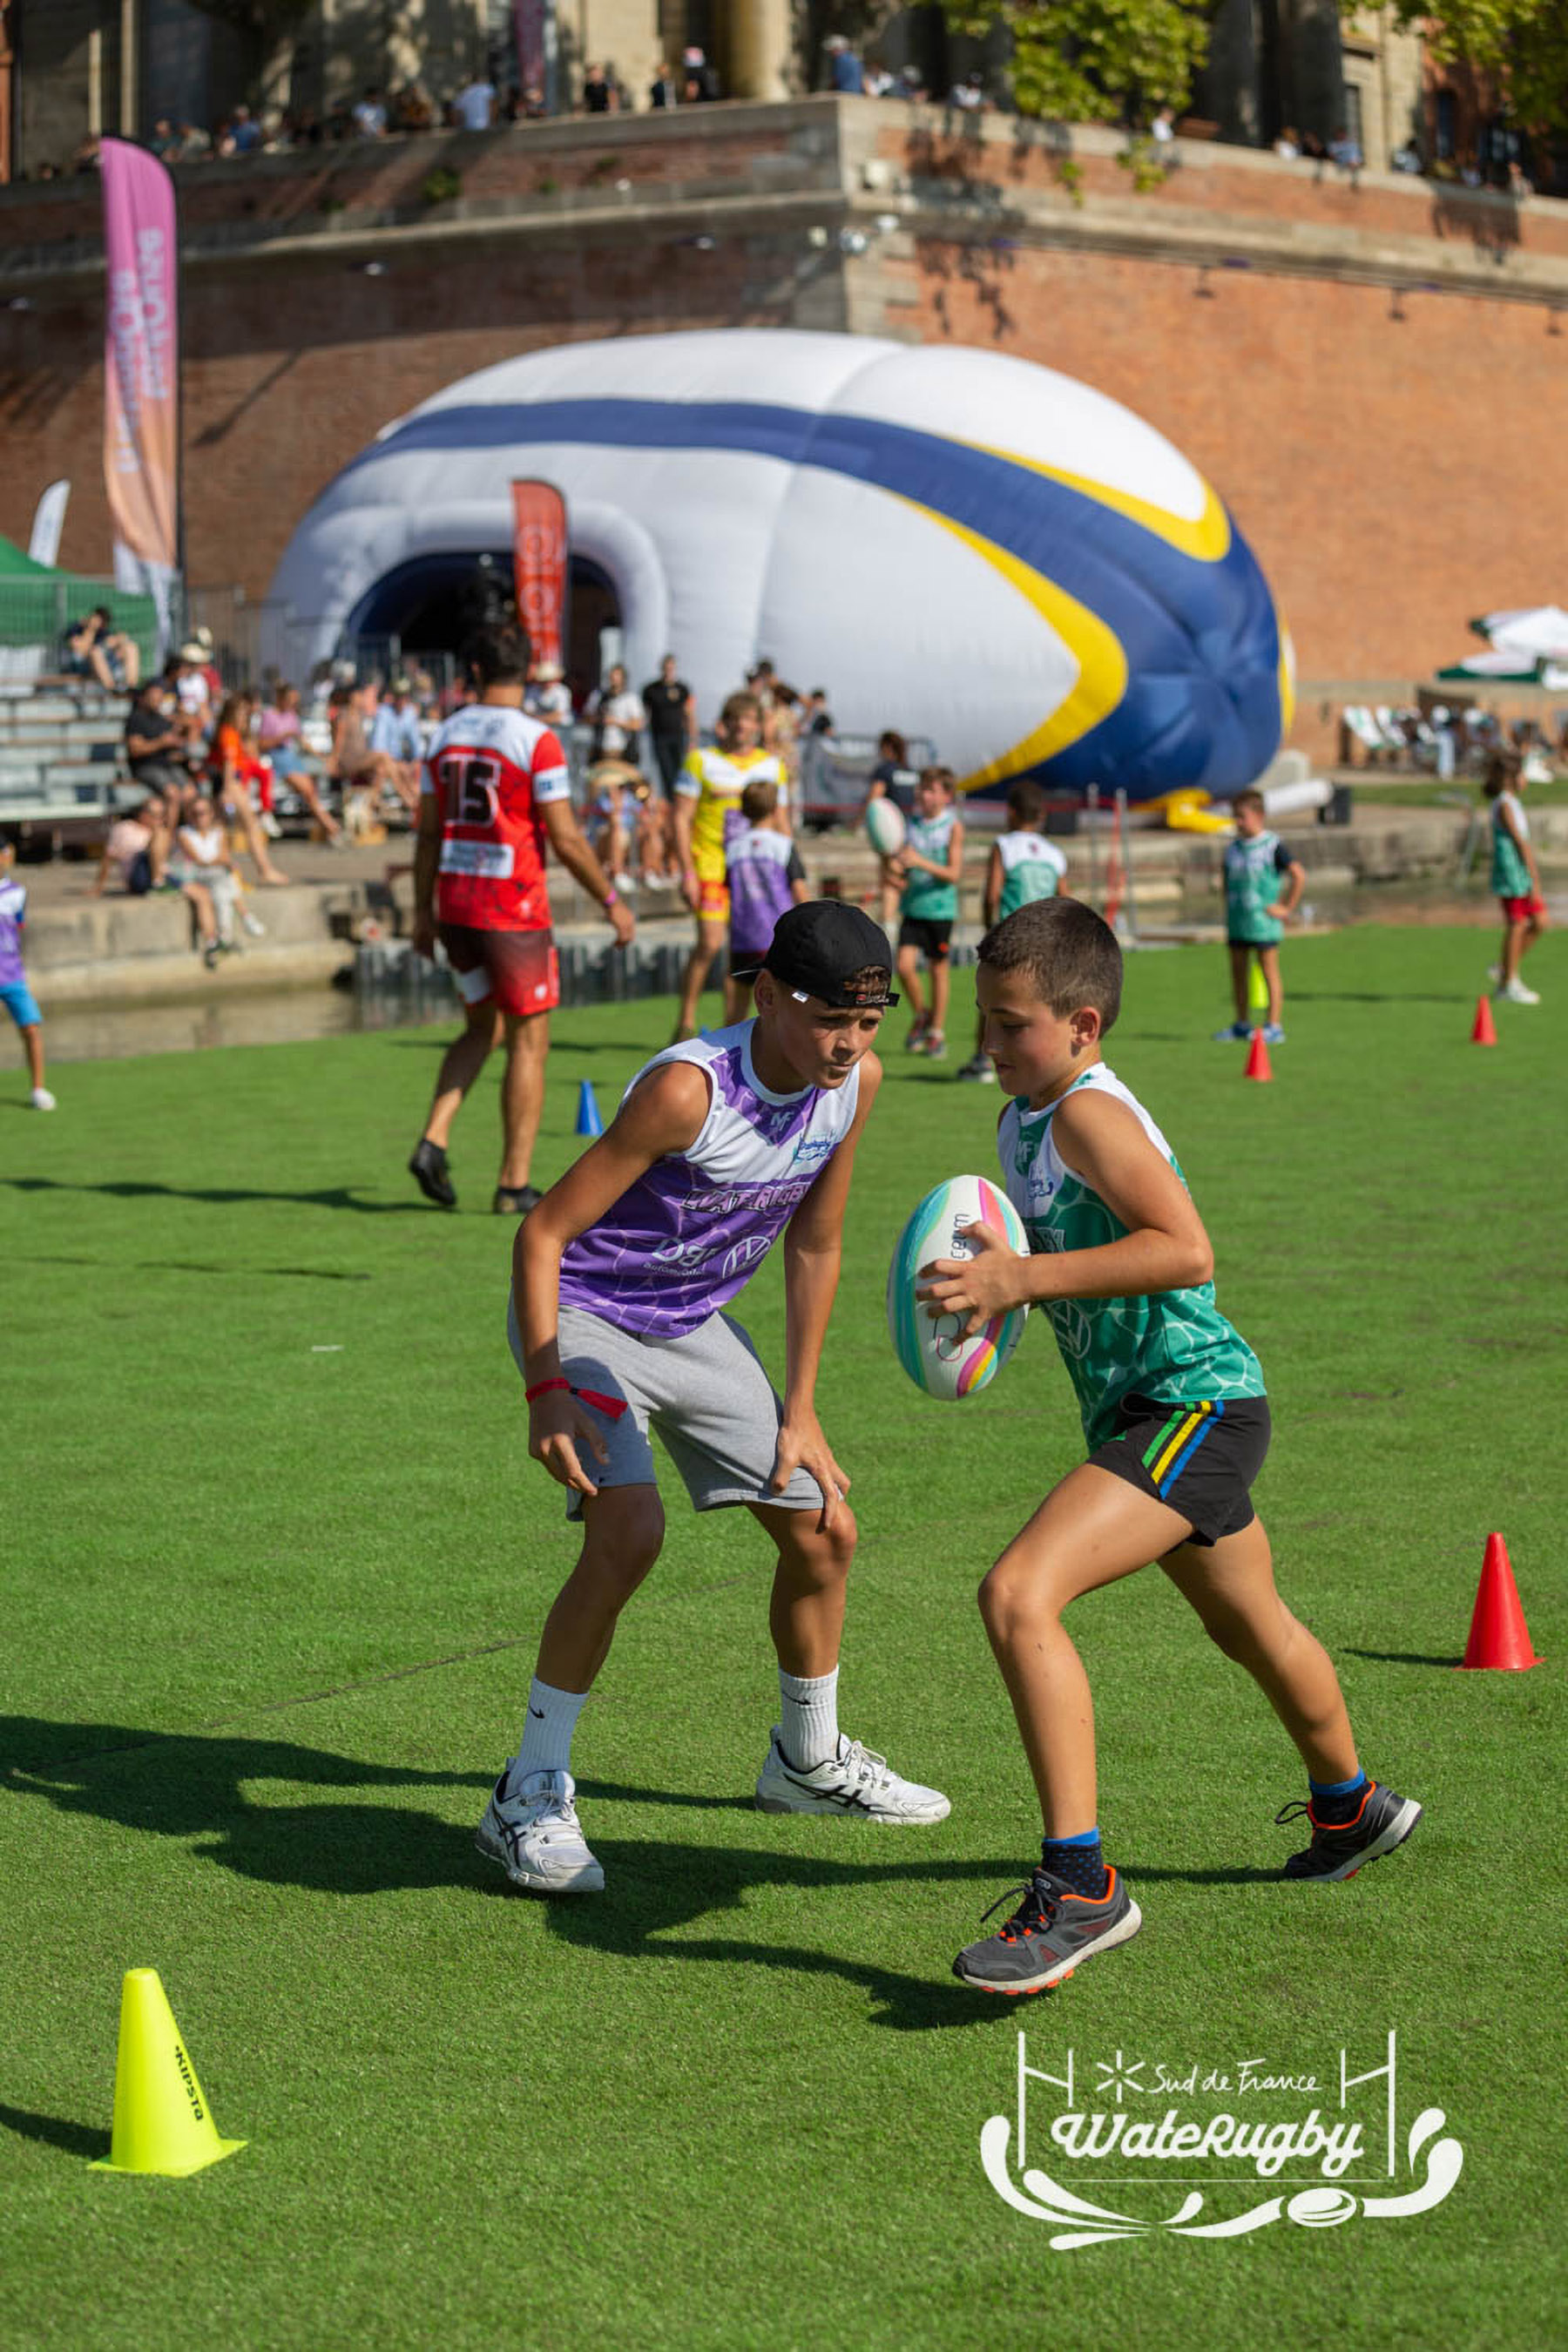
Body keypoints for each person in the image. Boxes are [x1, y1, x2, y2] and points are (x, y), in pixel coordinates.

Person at [920, 897, 1421, 1995]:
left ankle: (1084, 1886)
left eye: (1013, 1026)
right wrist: (981, 1299)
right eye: (985, 1022)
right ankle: (1353, 1808)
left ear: (1084, 1026)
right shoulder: (1022, 1123)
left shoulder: (1089, 1117)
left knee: (1017, 1595)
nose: (990, 1045)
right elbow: (1067, 1261)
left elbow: (1186, 1251)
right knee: (1253, 1626)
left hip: (1194, 1407)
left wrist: (1020, 1278)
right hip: (1156, 1411)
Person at [483, 901, 948, 1896]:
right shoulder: (687, 1093)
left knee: (826, 1528)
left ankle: (806, 1764)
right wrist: (544, 1388)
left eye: (868, 1024)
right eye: (830, 1019)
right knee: (630, 1532)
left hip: (694, 1327)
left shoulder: (855, 1085)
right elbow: (541, 1238)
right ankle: (526, 1792)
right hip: (593, 1319)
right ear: (768, 995)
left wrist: (803, 1408)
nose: (849, 1044)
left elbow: (816, 1243)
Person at [409, 624, 635, 1217]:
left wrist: (420, 912)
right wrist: (611, 900)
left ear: (474, 672)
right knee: (530, 1042)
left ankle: (434, 1137)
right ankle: (513, 1183)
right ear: (528, 674)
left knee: (482, 1028)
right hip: (512, 908)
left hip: (456, 903)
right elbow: (564, 836)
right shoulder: (537, 739)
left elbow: (429, 832)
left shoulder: (443, 736)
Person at [671, 691, 787, 1039]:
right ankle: (685, 1020)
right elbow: (680, 818)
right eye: (736, 718)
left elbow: (782, 821)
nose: (742, 726)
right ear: (725, 724)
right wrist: (687, 871)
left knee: (748, 951)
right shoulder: (700, 761)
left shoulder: (771, 765)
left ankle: (732, 1029)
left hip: (755, 874)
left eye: (749, 719)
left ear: (757, 725)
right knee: (708, 943)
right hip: (712, 867)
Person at [956, 776, 1067, 1081]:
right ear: (1041, 815)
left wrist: (988, 925)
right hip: (1046, 939)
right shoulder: (1054, 853)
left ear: (1011, 812)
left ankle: (982, 1063)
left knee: (991, 1001)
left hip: (1011, 936)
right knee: (1039, 1002)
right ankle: (1046, 1059)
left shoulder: (1004, 846)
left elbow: (992, 893)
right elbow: (1065, 900)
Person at [1213, 789, 1304, 1044]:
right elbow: (1227, 880)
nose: (1238, 822)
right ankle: (1241, 1023)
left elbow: (1298, 875)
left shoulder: (1273, 846)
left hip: (1263, 924)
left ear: (1259, 815)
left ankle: (1274, 1025)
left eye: (1243, 816)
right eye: (1235, 817)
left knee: (1268, 971)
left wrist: (1286, 908)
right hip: (1238, 922)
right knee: (1238, 972)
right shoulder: (1233, 849)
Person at [891, 764, 963, 1059]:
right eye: (922, 788)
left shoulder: (952, 826)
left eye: (931, 790)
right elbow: (901, 865)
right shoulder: (911, 824)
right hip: (913, 906)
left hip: (940, 910)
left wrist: (919, 862)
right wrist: (894, 870)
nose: (924, 794)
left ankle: (936, 1031)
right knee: (904, 967)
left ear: (947, 796)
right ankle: (922, 1014)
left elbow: (953, 873)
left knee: (937, 970)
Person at [723, 776, 810, 1018]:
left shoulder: (733, 848)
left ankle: (731, 1054)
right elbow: (800, 892)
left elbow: (729, 889)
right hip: (777, 938)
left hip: (743, 938)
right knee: (788, 1003)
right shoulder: (782, 845)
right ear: (775, 810)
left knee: (737, 1008)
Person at [207, 694, 291, 884]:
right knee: (251, 826)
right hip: (230, 783)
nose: (245, 719)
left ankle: (223, 869)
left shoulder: (229, 732)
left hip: (227, 783)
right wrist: (228, 791)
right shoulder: (228, 733)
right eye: (242, 714)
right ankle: (265, 869)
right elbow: (228, 763)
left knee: (219, 828)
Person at [1485, 752, 1548, 1004]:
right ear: (1511, 778)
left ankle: (1504, 969)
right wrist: (1534, 877)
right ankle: (1509, 983)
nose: (1526, 780)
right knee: (1518, 924)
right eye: (1523, 775)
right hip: (1514, 875)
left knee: (1540, 921)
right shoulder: (1504, 805)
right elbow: (1520, 843)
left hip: (1520, 873)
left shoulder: (1511, 802)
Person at [0, 833, 56, 1109]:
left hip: (11, 975)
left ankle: (38, 1089)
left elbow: (18, 929)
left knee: (31, 1029)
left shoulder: (17, 893)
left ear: (7, 856)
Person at [641, 652, 695, 799]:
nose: (669, 671)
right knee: (665, 771)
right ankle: (669, 800)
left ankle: (676, 800)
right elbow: (645, 715)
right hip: (660, 736)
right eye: (666, 668)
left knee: (679, 771)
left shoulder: (682, 689)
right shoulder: (651, 690)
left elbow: (689, 714)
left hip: (678, 736)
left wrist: (692, 739)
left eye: (671, 668)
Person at [64, 607, 140, 693]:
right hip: (82, 665)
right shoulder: (77, 628)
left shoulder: (102, 632)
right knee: (95, 652)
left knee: (131, 647)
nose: (98, 623)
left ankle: (131, 687)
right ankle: (111, 688)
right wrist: (91, 630)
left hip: (104, 663)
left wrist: (117, 640)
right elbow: (79, 649)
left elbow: (109, 646)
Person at [587, 664, 645, 770]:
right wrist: (600, 719)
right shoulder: (599, 696)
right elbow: (587, 717)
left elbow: (638, 724)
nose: (613, 681)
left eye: (616, 678)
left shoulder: (630, 698)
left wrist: (616, 722)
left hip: (620, 749)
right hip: (600, 748)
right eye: (611, 678)